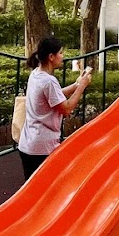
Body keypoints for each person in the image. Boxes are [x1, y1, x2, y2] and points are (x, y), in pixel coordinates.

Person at [17, 36, 90, 182]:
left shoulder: (36, 74)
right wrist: (82, 87)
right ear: (51, 57)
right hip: (42, 147)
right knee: (48, 188)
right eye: (61, 53)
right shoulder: (49, 81)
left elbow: (54, 96)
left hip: (28, 144)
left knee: (32, 189)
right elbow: (66, 109)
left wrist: (76, 85)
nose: (63, 56)